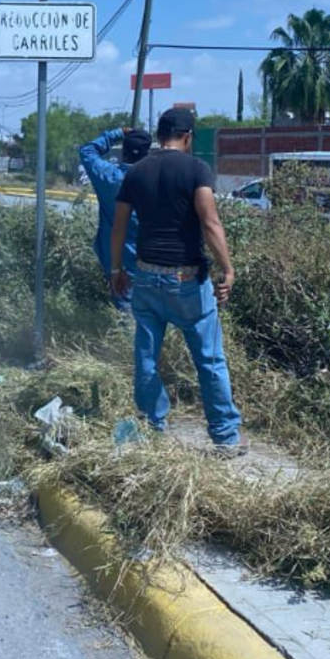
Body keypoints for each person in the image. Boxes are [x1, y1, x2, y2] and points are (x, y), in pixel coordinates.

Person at [110, 108, 246, 454]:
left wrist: (116, 270)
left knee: (146, 356)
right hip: (187, 281)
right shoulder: (196, 169)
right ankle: (225, 438)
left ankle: (152, 428)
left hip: (145, 276)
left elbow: (119, 226)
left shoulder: (136, 172)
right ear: (187, 137)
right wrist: (227, 269)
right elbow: (210, 222)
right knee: (210, 359)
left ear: (159, 135)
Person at [78, 127, 151, 312]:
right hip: (154, 265)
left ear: (123, 151)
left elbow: (87, 151)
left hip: (118, 265)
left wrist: (117, 133)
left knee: (127, 318)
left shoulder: (109, 177)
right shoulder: (156, 180)